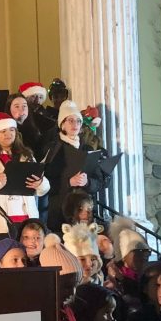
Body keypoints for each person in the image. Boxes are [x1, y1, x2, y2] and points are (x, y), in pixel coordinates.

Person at [41, 100, 105, 233]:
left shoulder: (87, 149)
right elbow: (43, 182)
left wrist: (87, 182)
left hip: (83, 212)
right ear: (62, 124)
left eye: (78, 121)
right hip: (59, 212)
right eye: (70, 120)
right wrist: (68, 182)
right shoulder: (52, 149)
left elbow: (99, 181)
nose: (75, 124)